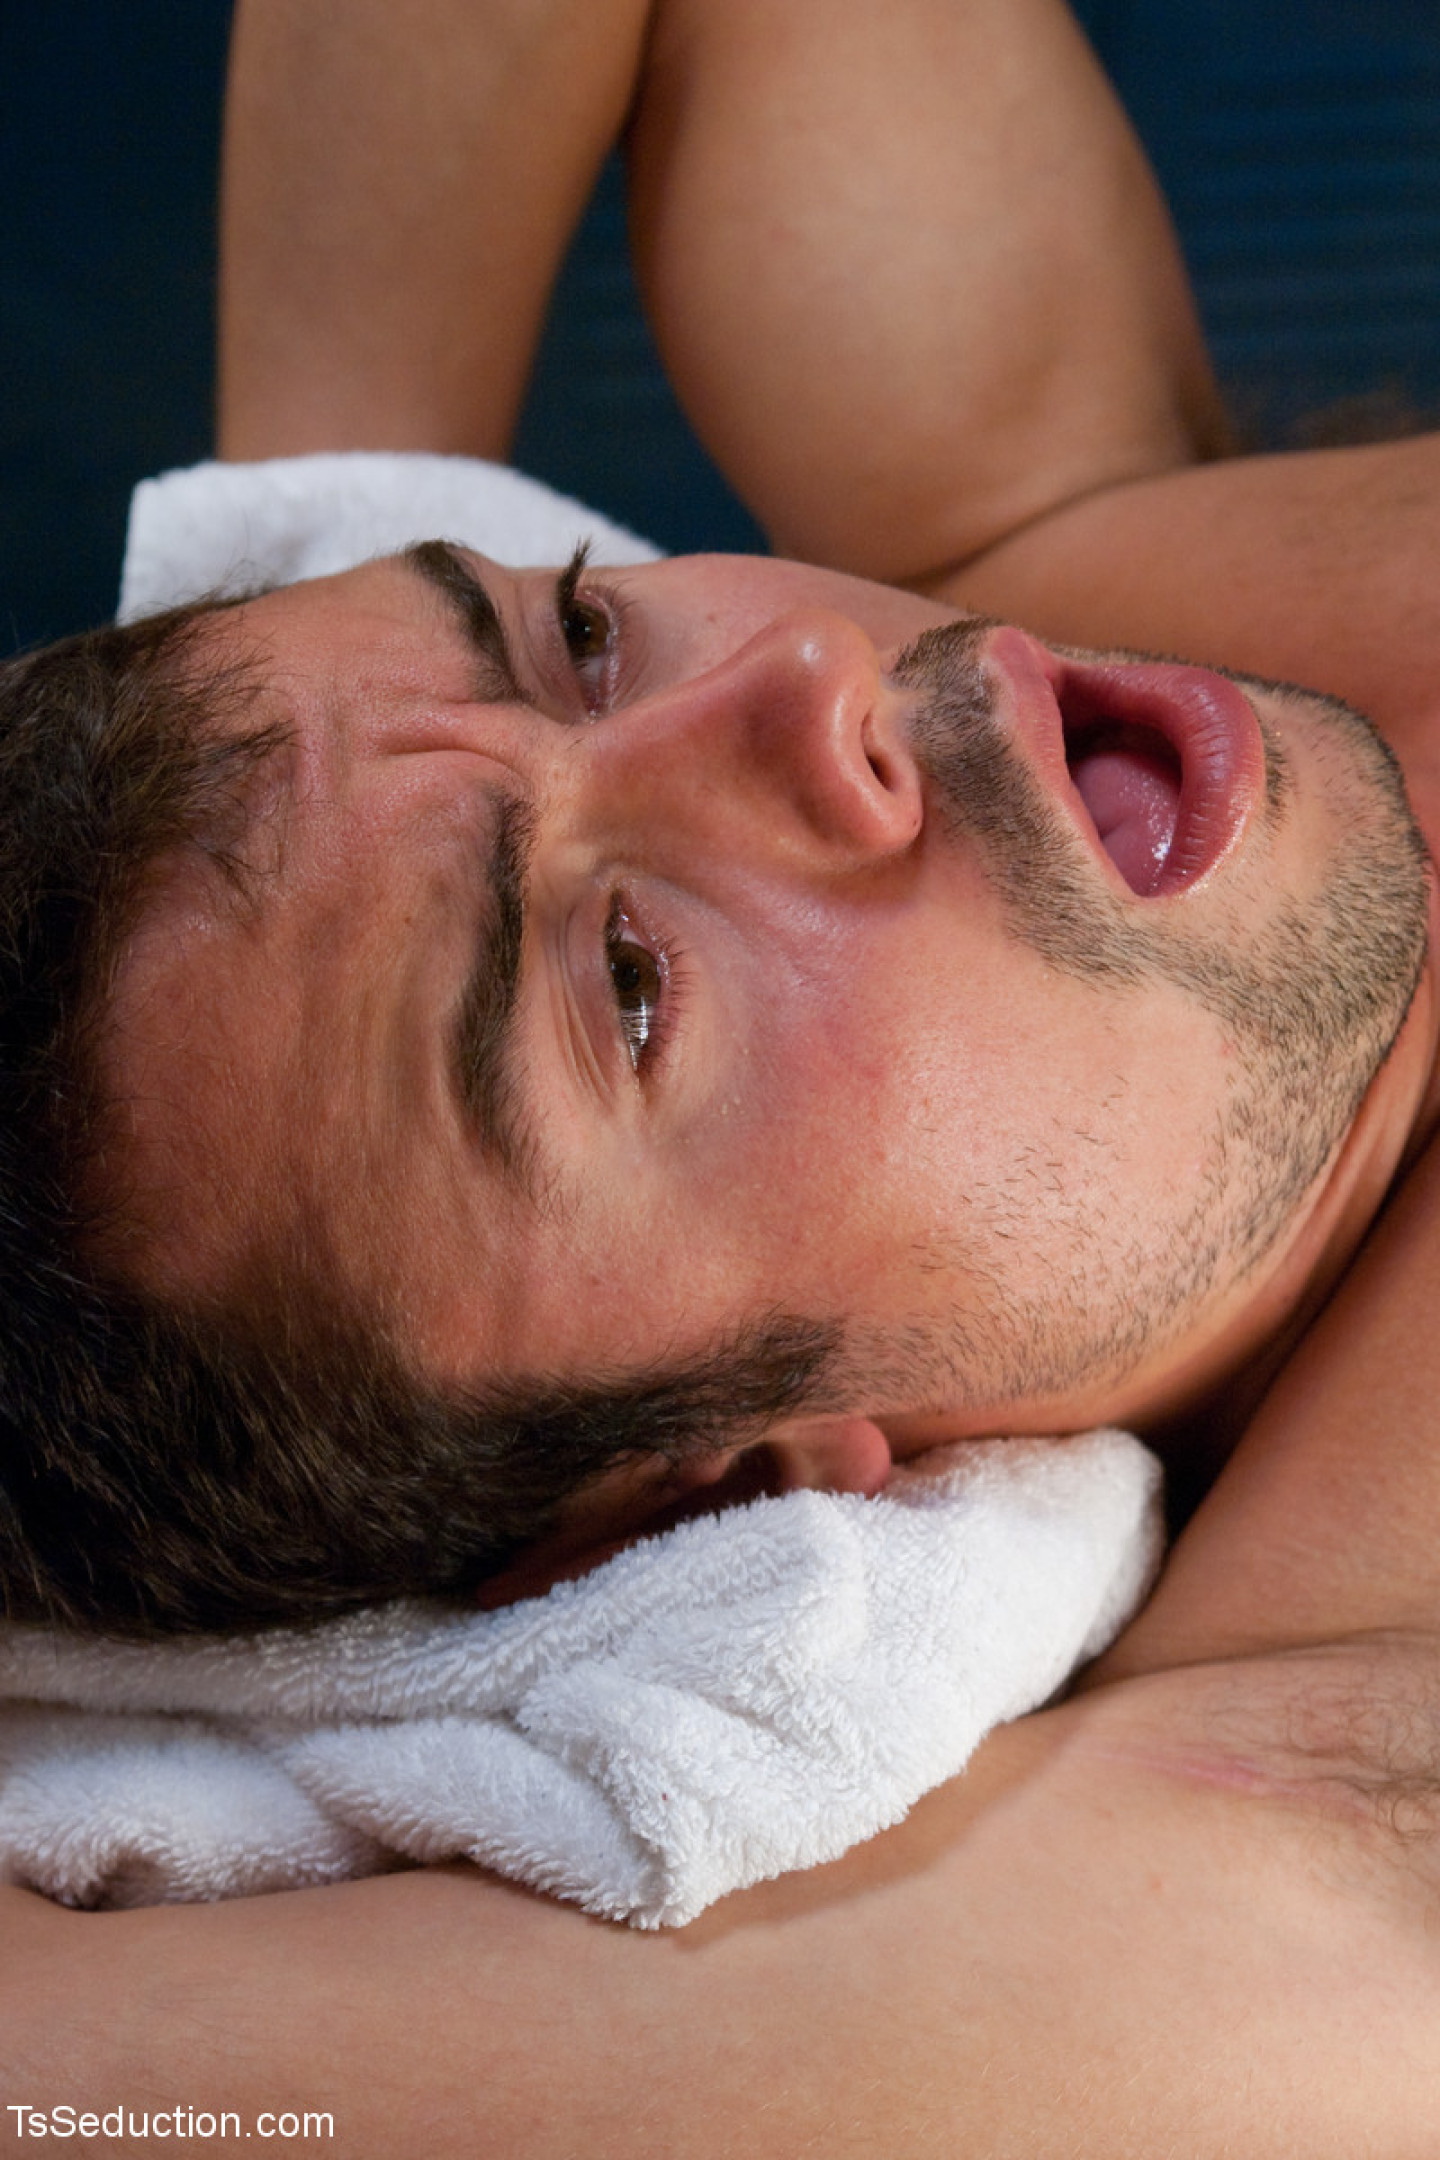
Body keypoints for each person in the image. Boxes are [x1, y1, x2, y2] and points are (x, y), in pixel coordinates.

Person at [5, 1, 1440, 2151]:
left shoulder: (1063, 537)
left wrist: (335, 496)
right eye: (633, 983)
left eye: (579, 636)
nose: (808, 683)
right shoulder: (1314, 1822)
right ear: (716, 1507)